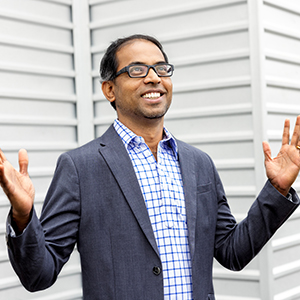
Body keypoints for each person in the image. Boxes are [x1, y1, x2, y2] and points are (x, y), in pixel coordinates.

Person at [1, 34, 300, 300]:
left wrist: (277, 189)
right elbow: (39, 274)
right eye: (137, 70)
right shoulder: (80, 168)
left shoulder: (199, 164)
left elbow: (233, 252)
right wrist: (24, 216)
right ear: (109, 90)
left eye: (161, 69)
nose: (154, 78)